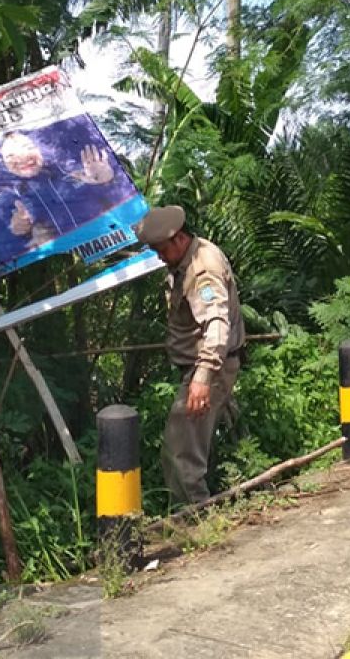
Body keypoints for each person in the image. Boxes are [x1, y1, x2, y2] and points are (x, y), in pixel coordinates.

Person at [134, 205, 245, 504]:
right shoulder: (190, 256)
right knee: (192, 443)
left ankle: (195, 518)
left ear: (178, 239)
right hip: (203, 367)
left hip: (207, 369)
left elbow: (216, 324)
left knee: (179, 451)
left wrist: (203, 376)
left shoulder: (202, 269)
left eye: (160, 249)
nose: (158, 256)